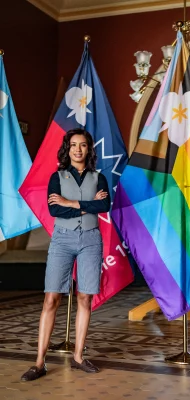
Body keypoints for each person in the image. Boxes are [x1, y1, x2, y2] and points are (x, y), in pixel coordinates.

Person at [21, 128, 110, 381]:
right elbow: (54, 210)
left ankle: (79, 357)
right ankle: (39, 362)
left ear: (89, 148)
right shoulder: (56, 177)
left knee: (84, 298)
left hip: (91, 240)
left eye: (82, 145)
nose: (78, 149)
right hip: (62, 240)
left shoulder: (98, 177)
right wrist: (85, 207)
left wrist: (70, 204)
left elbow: (104, 205)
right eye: (73, 145)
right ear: (67, 148)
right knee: (51, 299)